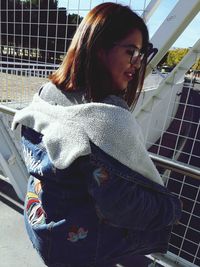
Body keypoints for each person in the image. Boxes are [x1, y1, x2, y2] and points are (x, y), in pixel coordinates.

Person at [12, 2, 182, 267]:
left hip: (42, 226)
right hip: (80, 249)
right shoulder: (107, 119)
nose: (137, 64)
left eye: (142, 54)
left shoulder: (47, 93)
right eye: (131, 52)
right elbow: (121, 204)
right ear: (100, 49)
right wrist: (171, 209)